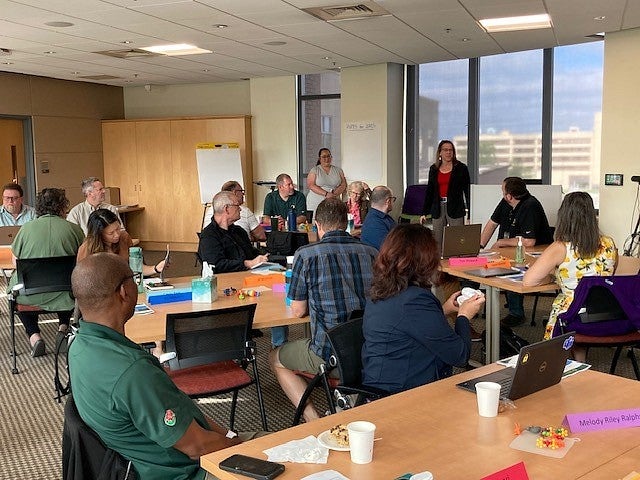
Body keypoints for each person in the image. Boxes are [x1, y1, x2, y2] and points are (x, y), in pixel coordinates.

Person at [68, 253, 242, 480]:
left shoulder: (79, 347)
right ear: (124, 291)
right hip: (189, 471)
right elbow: (197, 447)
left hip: (145, 462)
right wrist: (241, 447)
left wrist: (228, 435)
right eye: (134, 278)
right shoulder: (132, 371)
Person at [269, 197, 377, 422]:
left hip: (329, 353)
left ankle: (314, 421)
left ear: (317, 224)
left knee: (274, 358)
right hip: (370, 349)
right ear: (345, 222)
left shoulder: (306, 255)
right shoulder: (371, 252)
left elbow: (298, 311)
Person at [362, 224, 485, 394]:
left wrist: (444, 309)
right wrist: (464, 316)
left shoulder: (382, 289)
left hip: (382, 382)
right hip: (401, 394)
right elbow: (460, 356)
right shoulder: (415, 300)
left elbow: (407, 325)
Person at [522, 192, 617, 355]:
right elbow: (609, 275)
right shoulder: (609, 243)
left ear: (564, 216)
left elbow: (528, 282)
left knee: (561, 306)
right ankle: (579, 362)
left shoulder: (561, 247)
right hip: (603, 312)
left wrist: (553, 274)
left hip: (572, 315)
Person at [9, 188, 84, 357]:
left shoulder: (26, 228)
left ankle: (35, 337)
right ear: (62, 206)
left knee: (17, 292)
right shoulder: (74, 229)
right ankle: (63, 328)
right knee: (67, 284)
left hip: (29, 294)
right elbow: (82, 259)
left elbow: (16, 261)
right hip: (66, 294)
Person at [480, 177, 553, 327]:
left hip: (533, 252)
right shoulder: (505, 203)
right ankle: (469, 302)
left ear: (509, 195)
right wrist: (479, 248)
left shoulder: (530, 206)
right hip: (511, 249)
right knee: (481, 266)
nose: (502, 194)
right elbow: (492, 224)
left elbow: (529, 241)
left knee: (512, 267)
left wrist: (501, 242)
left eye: (503, 191)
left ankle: (516, 313)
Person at [77, 209, 166, 276]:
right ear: (99, 234)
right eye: (111, 233)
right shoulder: (87, 248)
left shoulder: (124, 237)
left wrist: (156, 268)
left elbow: (136, 268)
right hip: (101, 290)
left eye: (118, 229)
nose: (117, 235)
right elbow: (82, 279)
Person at [198, 191, 269, 272]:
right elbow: (215, 265)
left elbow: (251, 253)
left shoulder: (239, 231)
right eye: (237, 205)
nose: (240, 209)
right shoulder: (209, 236)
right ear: (227, 209)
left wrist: (266, 256)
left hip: (249, 276)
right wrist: (247, 264)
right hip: (226, 281)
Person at [421, 140, 471, 252]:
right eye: (445, 150)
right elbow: (430, 191)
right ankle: (438, 266)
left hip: (455, 208)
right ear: (440, 152)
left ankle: (456, 265)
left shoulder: (461, 168)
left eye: (451, 150)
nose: (448, 152)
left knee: (457, 239)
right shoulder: (433, 169)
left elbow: (467, 191)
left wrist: (470, 213)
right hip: (438, 208)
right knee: (437, 240)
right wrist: (424, 212)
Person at [306, 148, 347, 213]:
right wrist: (326, 194)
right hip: (316, 201)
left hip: (333, 200)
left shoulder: (338, 170)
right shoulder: (315, 170)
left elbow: (343, 184)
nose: (327, 159)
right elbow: (311, 185)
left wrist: (333, 194)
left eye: (328, 156)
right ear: (319, 158)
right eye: (324, 157)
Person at [360, 186, 397, 250]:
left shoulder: (381, 218)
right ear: (388, 201)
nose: (393, 202)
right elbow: (389, 250)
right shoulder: (374, 223)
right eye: (393, 199)